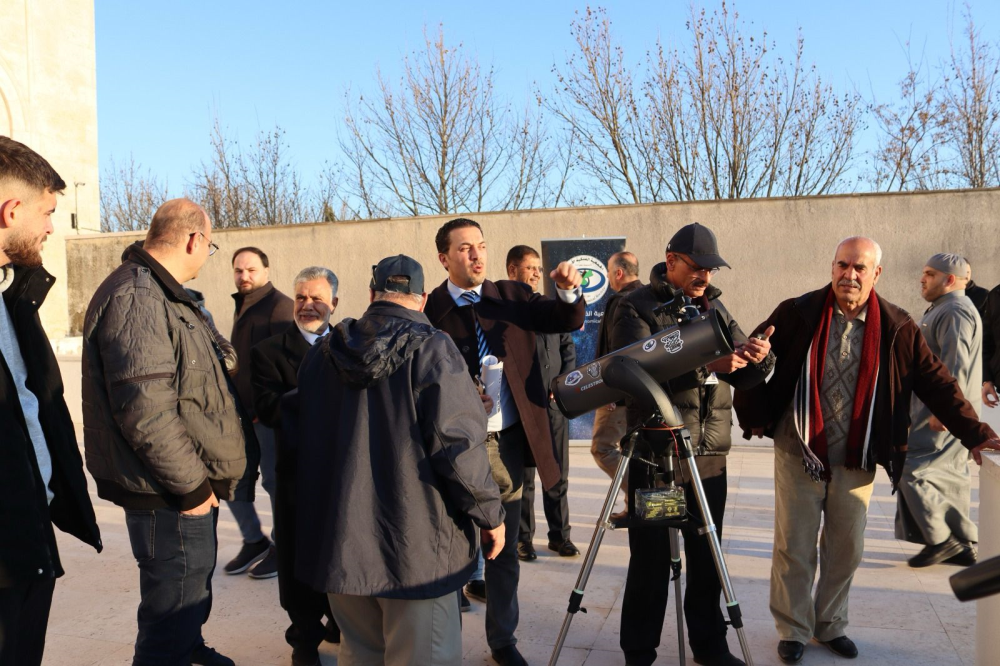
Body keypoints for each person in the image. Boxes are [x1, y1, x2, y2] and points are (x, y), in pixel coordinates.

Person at [734, 236, 1000, 664]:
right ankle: (793, 629)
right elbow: (755, 354)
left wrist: (976, 433)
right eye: (843, 265)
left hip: (857, 457)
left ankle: (830, 624)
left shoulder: (897, 326)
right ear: (832, 267)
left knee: (846, 549)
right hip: (800, 451)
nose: (850, 275)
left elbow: (937, 382)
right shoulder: (797, 311)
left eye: (860, 268)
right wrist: (754, 357)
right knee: (794, 547)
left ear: (876, 274)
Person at [288, 254, 505, 666]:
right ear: (422, 299)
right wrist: (490, 514)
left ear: (372, 295)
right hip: (416, 552)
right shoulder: (434, 347)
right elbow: (457, 446)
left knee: (359, 654)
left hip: (343, 546)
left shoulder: (323, 353)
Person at [83, 198, 257, 666]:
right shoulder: (138, 295)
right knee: (169, 617)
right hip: (168, 495)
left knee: (188, 599)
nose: (208, 256)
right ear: (194, 239)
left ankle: (189, 647)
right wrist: (192, 488)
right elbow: (146, 411)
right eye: (211, 247)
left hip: (179, 490)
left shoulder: (165, 292)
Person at [424, 218, 585, 666]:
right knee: (450, 548)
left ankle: (502, 640)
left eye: (481, 245)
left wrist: (567, 291)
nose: (476, 254)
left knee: (504, 549)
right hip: (454, 448)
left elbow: (565, 318)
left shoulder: (512, 296)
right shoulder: (431, 310)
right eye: (464, 248)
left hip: (507, 444)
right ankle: (443, 641)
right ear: (444, 258)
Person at [611, 223, 773, 666]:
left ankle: (710, 646)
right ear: (671, 260)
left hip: (709, 456)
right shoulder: (635, 305)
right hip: (659, 457)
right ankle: (639, 653)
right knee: (651, 560)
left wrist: (759, 358)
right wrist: (706, 363)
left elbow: (741, 372)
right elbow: (630, 370)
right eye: (697, 266)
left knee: (707, 557)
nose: (705, 275)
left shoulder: (713, 306)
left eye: (711, 269)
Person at [0, 136, 102, 666]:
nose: (50, 228)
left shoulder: (13, 297)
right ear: (11, 210)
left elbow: (34, 407)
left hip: (28, 539)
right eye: (47, 213)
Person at [251, 266, 342, 666]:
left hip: (345, 476)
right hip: (297, 480)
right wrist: (325, 395)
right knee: (298, 562)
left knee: (342, 554)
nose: (308, 305)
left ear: (334, 302)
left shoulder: (352, 345)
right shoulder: (268, 352)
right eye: (301, 297)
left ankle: (340, 621)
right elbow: (269, 409)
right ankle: (304, 639)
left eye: (317, 298)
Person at [897, 254, 982, 567]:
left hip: (942, 413)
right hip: (940, 410)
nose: (922, 279)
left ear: (949, 279)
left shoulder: (955, 311)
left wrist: (946, 412)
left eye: (930, 274)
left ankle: (943, 539)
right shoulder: (944, 308)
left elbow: (955, 362)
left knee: (911, 467)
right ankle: (961, 543)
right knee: (947, 475)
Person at [505, 245, 578, 562]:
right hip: (521, 409)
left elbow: (568, 350)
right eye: (529, 267)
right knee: (524, 480)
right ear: (512, 270)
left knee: (557, 474)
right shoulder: (504, 312)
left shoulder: (550, 308)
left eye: (538, 268)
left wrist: (562, 385)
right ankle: (523, 540)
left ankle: (560, 537)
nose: (536, 273)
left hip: (552, 406)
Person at [224, 246, 294, 579]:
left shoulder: (280, 307)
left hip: (265, 417)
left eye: (251, 270)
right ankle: (254, 540)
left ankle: (284, 547)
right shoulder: (244, 305)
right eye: (239, 270)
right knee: (229, 477)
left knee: (274, 482)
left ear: (266, 271)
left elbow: (284, 366)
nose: (244, 276)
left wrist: (263, 406)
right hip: (238, 415)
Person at [591, 250, 641, 523]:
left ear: (619, 273)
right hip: (640, 393)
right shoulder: (647, 297)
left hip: (617, 394)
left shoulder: (620, 301)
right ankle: (634, 503)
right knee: (627, 450)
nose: (609, 277)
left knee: (603, 448)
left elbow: (613, 351)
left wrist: (608, 390)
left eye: (609, 272)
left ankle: (638, 498)